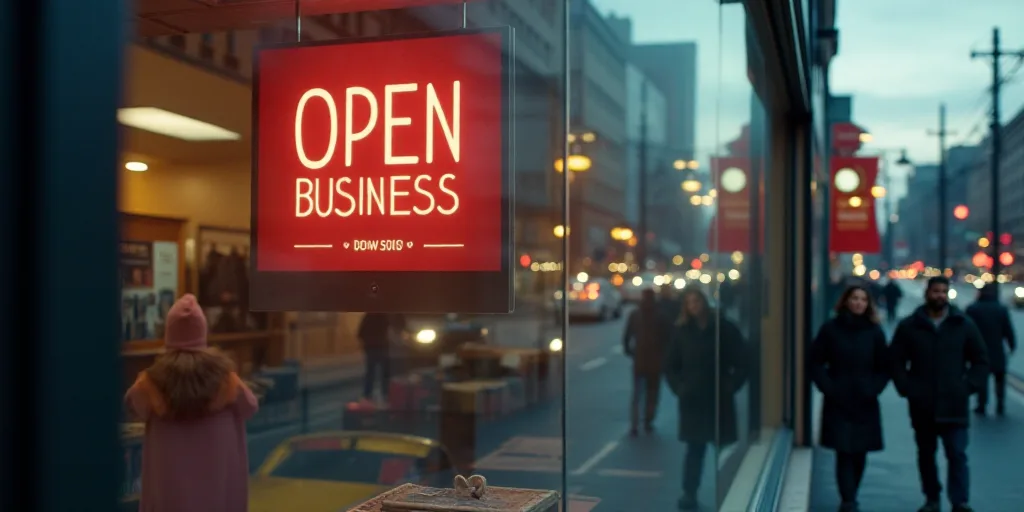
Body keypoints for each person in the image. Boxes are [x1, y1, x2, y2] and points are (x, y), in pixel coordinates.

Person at [124, 294, 259, 512]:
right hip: (216, 495)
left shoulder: (149, 383)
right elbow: (251, 407)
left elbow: (132, 404)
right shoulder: (227, 381)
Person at [890, 276, 989, 512]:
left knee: (957, 454)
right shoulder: (909, 326)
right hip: (922, 404)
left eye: (944, 291)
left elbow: (981, 360)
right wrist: (907, 388)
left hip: (955, 404)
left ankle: (959, 501)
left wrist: (967, 387)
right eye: (936, 291)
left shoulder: (963, 324)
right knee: (926, 455)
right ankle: (932, 499)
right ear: (927, 293)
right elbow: (895, 361)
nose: (940, 296)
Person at [664, 288, 748, 511]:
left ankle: (732, 492)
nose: (694, 305)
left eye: (697, 300)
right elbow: (671, 366)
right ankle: (689, 493)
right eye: (689, 302)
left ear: (704, 302)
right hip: (693, 401)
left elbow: (742, 361)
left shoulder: (724, 328)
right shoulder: (681, 331)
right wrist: (680, 389)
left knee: (724, 449)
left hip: (719, 399)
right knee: (694, 450)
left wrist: (730, 387)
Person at [809, 285, 890, 512]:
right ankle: (848, 499)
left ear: (868, 304)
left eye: (863, 299)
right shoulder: (831, 329)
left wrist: (874, 388)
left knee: (860, 451)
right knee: (843, 450)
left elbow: (884, 366)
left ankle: (852, 493)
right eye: (854, 298)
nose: (858, 303)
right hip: (839, 399)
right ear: (846, 301)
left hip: (865, 400)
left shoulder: (874, 332)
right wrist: (829, 387)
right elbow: (815, 362)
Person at [965, 283, 1017, 416]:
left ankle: (981, 404)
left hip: (979, 350)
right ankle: (1000, 404)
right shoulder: (1001, 309)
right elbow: (1007, 330)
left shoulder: (973, 309)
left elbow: (966, 331)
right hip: (997, 349)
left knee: (982, 379)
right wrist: (1012, 345)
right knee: (1000, 379)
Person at [623, 288, 664, 436]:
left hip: (639, 360)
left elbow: (627, 336)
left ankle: (634, 423)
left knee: (637, 394)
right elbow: (668, 339)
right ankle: (648, 421)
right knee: (652, 393)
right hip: (656, 361)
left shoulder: (635, 315)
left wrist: (630, 351)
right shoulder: (660, 315)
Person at [357, 312, 404, 402]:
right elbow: (399, 325)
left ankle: (368, 395)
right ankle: (385, 394)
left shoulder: (370, 315)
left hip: (371, 347)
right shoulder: (386, 315)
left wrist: (365, 343)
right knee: (384, 373)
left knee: (371, 372)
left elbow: (360, 333)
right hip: (381, 347)